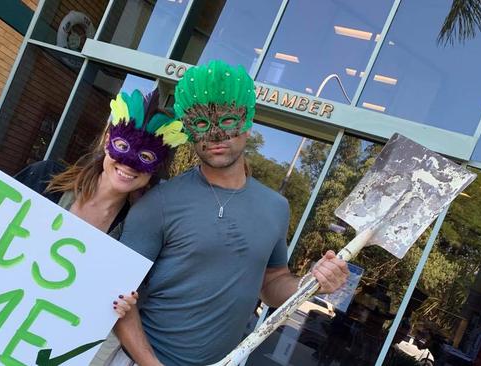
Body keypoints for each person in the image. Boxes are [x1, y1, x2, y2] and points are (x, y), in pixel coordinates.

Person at [0, 88, 189, 366]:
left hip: (26, 347)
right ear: (108, 142)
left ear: (155, 168)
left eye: (145, 156)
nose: (130, 163)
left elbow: (106, 303)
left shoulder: (135, 231)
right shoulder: (45, 178)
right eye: (123, 146)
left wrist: (123, 303)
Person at [108, 60, 350, 366]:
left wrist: (311, 283)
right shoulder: (158, 203)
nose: (215, 135)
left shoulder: (276, 207)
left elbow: (271, 281)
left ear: (247, 122)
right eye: (200, 124)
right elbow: (116, 297)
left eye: (227, 121)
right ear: (189, 130)